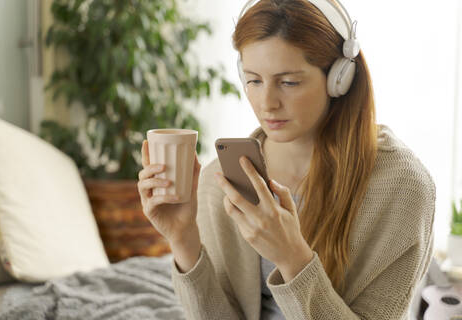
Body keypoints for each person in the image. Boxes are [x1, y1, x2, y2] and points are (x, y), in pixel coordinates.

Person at [137, 0, 436, 319]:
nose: (267, 103)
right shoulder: (221, 182)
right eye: (253, 80)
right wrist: (183, 239)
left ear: (340, 78)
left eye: (289, 82)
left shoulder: (403, 189)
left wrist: (292, 257)